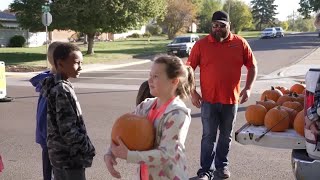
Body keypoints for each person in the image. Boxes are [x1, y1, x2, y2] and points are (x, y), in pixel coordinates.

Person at [187, 10, 258, 179]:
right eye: (214, 25)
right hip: (208, 101)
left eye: (221, 25)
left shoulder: (240, 43)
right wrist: (192, 92)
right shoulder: (201, 45)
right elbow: (188, 69)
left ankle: (222, 167)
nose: (217, 28)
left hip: (231, 100)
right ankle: (205, 171)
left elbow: (252, 66)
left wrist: (248, 88)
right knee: (208, 137)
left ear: (229, 26)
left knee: (225, 137)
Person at [104, 55, 195, 179]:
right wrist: (110, 153)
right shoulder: (145, 106)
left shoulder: (177, 113)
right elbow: (123, 131)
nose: (149, 80)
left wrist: (129, 155)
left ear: (174, 81)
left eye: (156, 76)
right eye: (150, 75)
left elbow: (166, 154)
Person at [40, 43, 95, 180]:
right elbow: (68, 130)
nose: (80, 67)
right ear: (60, 64)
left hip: (59, 155)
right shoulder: (61, 89)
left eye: (81, 62)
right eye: (76, 63)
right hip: (69, 157)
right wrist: (88, 148)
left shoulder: (55, 85)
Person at [30, 41, 61, 180]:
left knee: (51, 170)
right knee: (54, 171)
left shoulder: (52, 82)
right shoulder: (53, 86)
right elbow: (44, 116)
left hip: (50, 139)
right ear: (60, 62)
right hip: (52, 140)